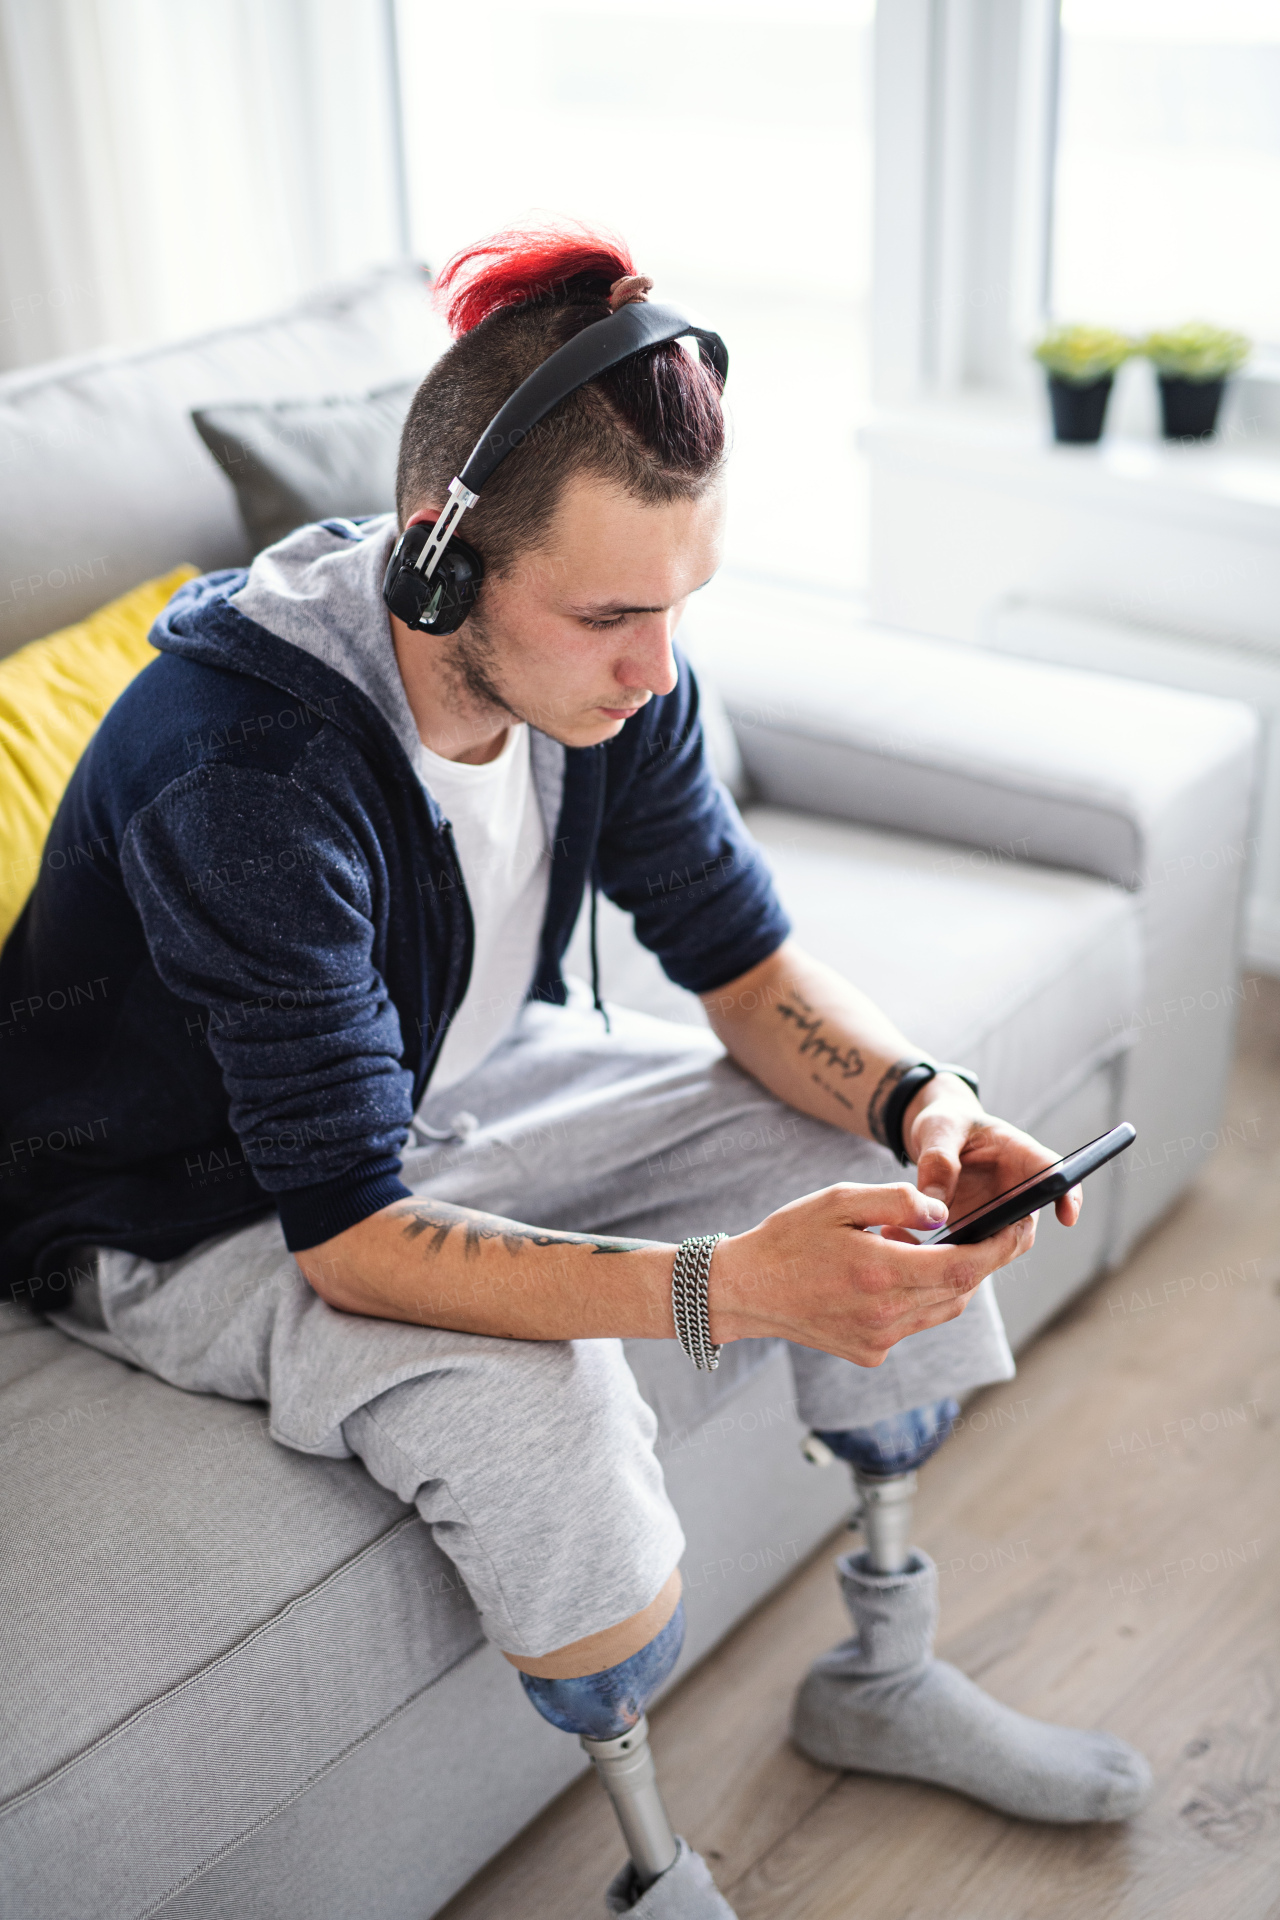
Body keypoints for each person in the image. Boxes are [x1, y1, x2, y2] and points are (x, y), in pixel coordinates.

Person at [0, 225, 1150, 1918]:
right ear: (436, 572)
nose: (660, 669)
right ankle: (658, 1869)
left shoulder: (622, 680)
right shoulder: (238, 770)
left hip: (445, 1092)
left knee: (866, 1178)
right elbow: (351, 1239)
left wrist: (925, 1102)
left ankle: (880, 1679)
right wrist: (726, 1290)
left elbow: (745, 970)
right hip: (195, 1206)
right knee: (548, 1409)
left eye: (682, 606)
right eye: (612, 614)